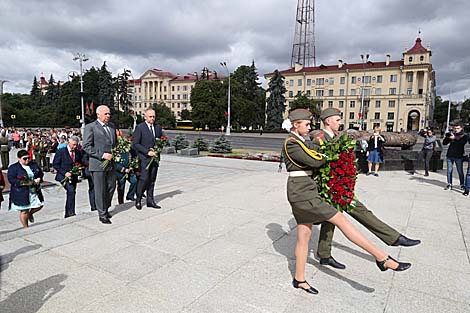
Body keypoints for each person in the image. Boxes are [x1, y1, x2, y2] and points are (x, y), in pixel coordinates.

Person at [282, 108, 411, 295]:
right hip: (302, 193)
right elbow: (316, 161)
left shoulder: (299, 141)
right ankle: (381, 258)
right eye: (307, 124)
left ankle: (299, 279)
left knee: (304, 236)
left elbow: (316, 157)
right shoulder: (292, 143)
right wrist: (324, 154)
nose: (310, 127)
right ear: (296, 125)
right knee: (341, 220)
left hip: (305, 189)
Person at [310, 108, 420, 270]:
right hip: (332, 188)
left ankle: (324, 255)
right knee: (361, 211)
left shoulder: (336, 137)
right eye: (337, 120)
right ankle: (393, 238)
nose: (340, 123)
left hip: (338, 186)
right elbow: (318, 163)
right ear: (328, 121)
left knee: (331, 219)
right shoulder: (320, 139)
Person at [82, 105, 117, 224]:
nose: (108, 116)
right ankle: (102, 213)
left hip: (111, 163)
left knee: (111, 187)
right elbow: (86, 146)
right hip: (98, 164)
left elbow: (114, 143)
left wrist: (116, 152)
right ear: (98, 115)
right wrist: (102, 155)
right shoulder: (90, 127)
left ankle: (105, 207)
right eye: (106, 114)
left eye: (109, 113)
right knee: (100, 189)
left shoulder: (112, 127)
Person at [132, 108, 163, 210]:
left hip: (155, 159)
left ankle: (150, 201)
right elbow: (135, 144)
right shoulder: (140, 128)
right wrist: (147, 152)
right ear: (145, 117)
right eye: (150, 116)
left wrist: (159, 148)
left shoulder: (157, 127)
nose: (152, 118)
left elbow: (160, 140)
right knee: (143, 179)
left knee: (152, 180)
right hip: (144, 159)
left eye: (154, 116)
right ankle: (138, 199)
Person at [7, 150, 44, 228]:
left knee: (40, 205)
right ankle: (26, 227)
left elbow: (40, 173)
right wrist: (24, 182)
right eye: (25, 159)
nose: (27, 160)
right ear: (19, 159)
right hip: (21, 192)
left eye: (28, 158)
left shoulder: (33, 165)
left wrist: (39, 179)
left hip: (34, 190)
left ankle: (31, 214)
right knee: (24, 210)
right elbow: (12, 180)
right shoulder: (13, 167)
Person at [52, 136, 84, 218]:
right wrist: (64, 172)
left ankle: (71, 212)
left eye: (76, 145)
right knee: (71, 190)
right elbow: (55, 164)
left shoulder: (77, 152)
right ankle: (69, 213)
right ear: (68, 143)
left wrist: (79, 168)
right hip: (63, 176)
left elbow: (79, 162)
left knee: (72, 192)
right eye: (73, 145)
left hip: (73, 176)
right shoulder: (61, 151)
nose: (75, 146)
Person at [442, 123, 467, 191]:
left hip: (459, 156)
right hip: (450, 155)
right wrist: (448, 137)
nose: (456, 130)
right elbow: (444, 143)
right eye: (455, 128)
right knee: (449, 171)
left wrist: (454, 138)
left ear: (461, 128)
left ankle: (462, 185)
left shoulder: (463, 136)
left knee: (460, 171)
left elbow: (462, 143)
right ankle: (449, 184)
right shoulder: (452, 134)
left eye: (458, 128)